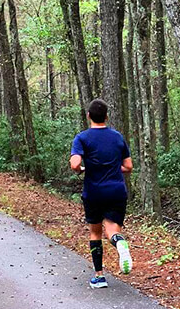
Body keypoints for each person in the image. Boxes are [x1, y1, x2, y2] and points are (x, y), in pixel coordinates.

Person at [70, 98, 133, 289]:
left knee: (95, 232)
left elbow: (74, 164)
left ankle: (99, 276)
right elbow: (128, 166)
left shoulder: (82, 138)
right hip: (116, 190)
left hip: (94, 191)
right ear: (106, 116)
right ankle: (119, 242)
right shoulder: (117, 137)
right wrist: (114, 168)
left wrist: (81, 169)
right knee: (112, 230)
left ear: (88, 116)